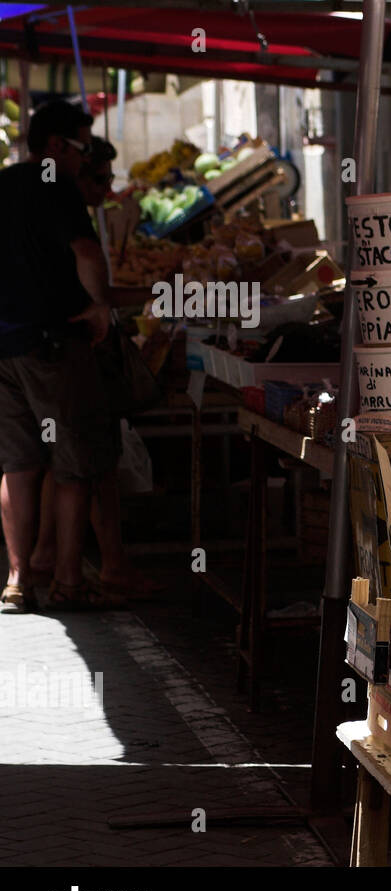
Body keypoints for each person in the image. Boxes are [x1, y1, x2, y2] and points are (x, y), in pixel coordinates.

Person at [0, 102, 120, 613]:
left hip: (4, 347)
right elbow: (87, 254)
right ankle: (68, 581)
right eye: (82, 148)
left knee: (19, 466)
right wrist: (99, 309)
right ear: (55, 146)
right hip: (53, 343)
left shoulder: (2, 184)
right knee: (72, 465)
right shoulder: (56, 185)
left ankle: (18, 580)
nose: (84, 159)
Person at [28, 136, 160, 600]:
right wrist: (117, 304)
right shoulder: (66, 218)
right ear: (75, 171)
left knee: (60, 460)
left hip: (42, 352)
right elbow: (95, 293)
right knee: (86, 461)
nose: (106, 189)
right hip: (65, 353)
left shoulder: (55, 213)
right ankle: (78, 569)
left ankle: (46, 563)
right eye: (98, 178)